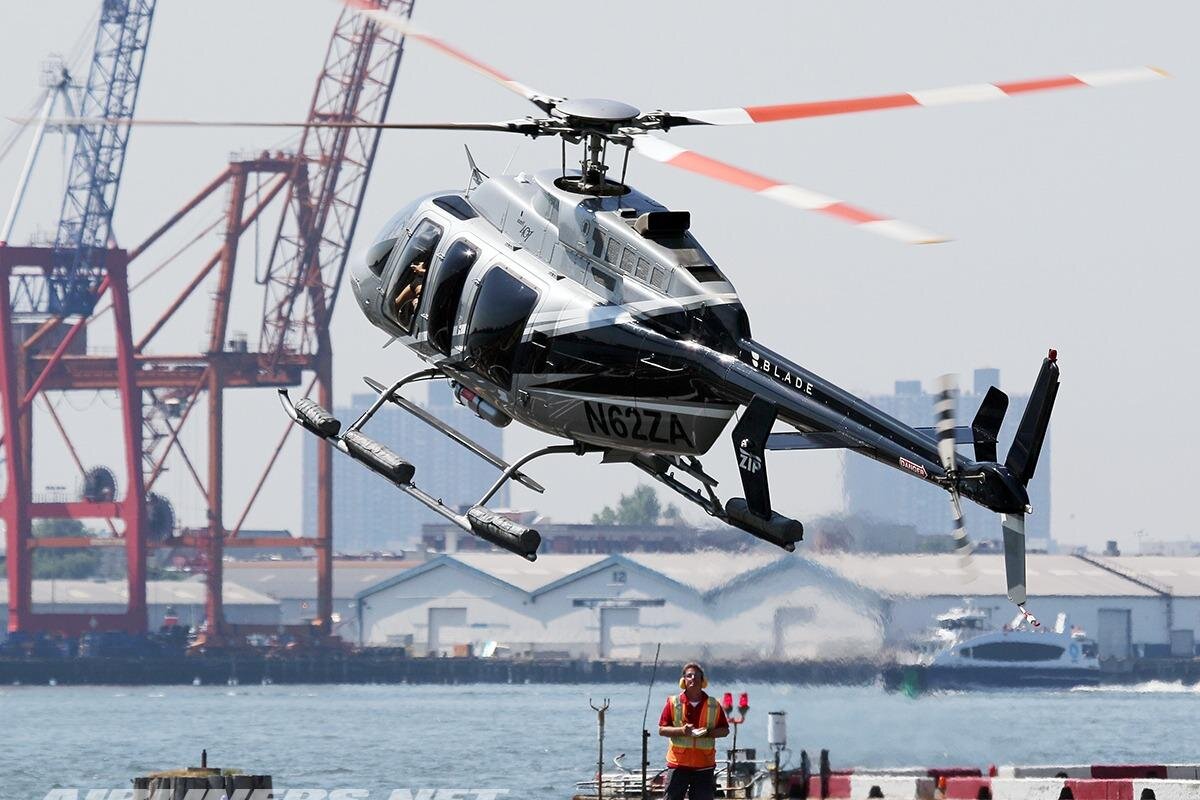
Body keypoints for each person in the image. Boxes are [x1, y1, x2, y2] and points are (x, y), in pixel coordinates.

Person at [658, 662, 730, 800]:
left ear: (703, 681)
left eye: (697, 676)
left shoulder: (713, 704)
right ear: (683, 681)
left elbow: (725, 730)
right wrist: (682, 730)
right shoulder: (673, 703)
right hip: (678, 764)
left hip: (704, 765)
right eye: (689, 675)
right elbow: (662, 730)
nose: (693, 678)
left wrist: (708, 732)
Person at [392, 257, 428, 328]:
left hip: (423, 285)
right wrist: (421, 264)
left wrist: (420, 270)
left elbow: (434, 274)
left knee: (417, 305)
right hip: (416, 282)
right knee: (396, 304)